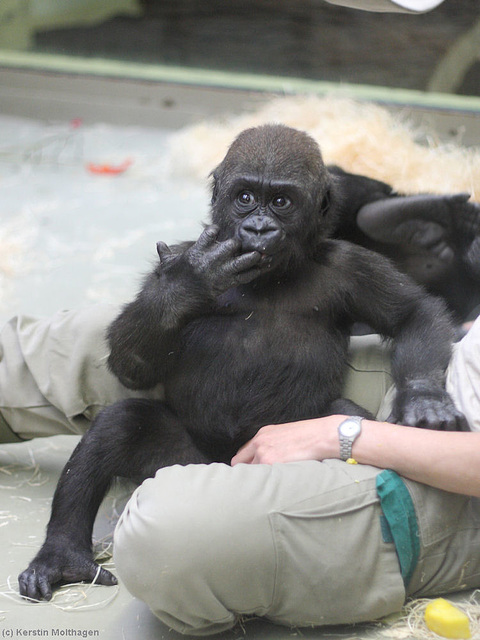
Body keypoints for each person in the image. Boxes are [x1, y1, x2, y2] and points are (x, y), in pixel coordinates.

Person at [1, 302, 480, 634]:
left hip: (456, 482)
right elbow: (418, 310)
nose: (257, 226)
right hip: (454, 375)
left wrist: (346, 433)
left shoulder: (343, 265)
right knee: (101, 338)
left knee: (170, 535)